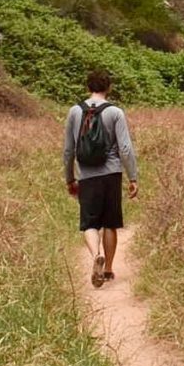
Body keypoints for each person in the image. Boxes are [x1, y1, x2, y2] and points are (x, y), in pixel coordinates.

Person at [64, 68, 136, 287]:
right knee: (110, 223)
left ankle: (96, 254)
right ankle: (108, 269)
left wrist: (69, 178)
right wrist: (133, 177)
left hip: (86, 174)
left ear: (88, 87)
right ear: (109, 87)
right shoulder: (115, 112)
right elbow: (125, 147)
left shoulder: (75, 111)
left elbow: (69, 149)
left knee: (89, 223)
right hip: (112, 173)